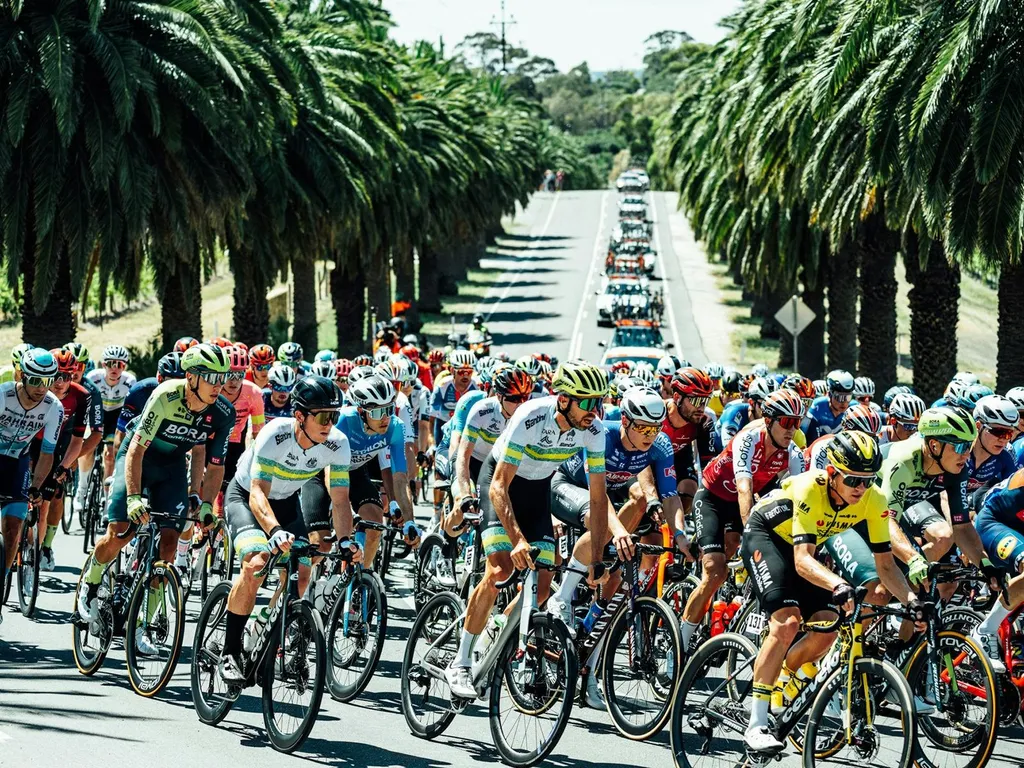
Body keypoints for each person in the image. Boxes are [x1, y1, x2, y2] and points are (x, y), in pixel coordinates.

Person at [741, 431, 922, 751]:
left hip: (803, 549)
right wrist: (838, 584)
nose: (861, 488)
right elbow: (801, 561)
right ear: (832, 473)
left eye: (867, 480)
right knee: (786, 623)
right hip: (767, 537)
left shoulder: (873, 500)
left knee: (828, 625)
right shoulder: (811, 488)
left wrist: (912, 600)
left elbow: (886, 567)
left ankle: (786, 672)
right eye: (853, 480)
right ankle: (756, 724)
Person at [444, 361, 610, 699]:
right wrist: (517, 541)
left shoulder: (594, 431)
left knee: (544, 584)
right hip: (500, 484)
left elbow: (597, 497)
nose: (595, 410)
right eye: (588, 402)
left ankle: (496, 629)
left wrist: (596, 559)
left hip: (537, 491)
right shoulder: (531, 416)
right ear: (564, 400)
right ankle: (459, 661)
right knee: (500, 569)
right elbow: (498, 487)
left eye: (599, 402)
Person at [76, 344, 234, 655]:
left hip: (172, 466)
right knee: (121, 530)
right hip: (138, 457)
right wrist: (134, 497)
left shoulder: (222, 413)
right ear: (191, 378)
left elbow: (214, 463)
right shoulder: (165, 395)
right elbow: (135, 450)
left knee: (170, 545)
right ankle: (90, 584)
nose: (219, 385)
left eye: (222, 378)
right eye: (211, 378)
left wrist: (203, 502)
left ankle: (144, 627)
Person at [219, 376, 358, 683]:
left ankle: (262, 626)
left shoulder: (337, 444)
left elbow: (340, 498)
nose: (329, 424)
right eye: (322, 416)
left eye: (334, 416)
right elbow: (257, 492)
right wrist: (274, 531)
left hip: (285, 501)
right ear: (300, 416)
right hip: (246, 497)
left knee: (303, 571)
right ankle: (229, 651)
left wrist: (347, 540)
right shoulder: (275, 434)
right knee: (256, 564)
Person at [679, 390, 805, 651]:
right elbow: (745, 489)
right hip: (713, 497)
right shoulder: (749, 437)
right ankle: (679, 642)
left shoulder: (792, 452)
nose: (792, 429)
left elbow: (802, 498)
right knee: (715, 570)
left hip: (739, 504)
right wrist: (753, 536)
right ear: (768, 420)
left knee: (735, 544)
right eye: (786, 422)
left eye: (797, 422)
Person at [0, 349, 64, 626]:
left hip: (18, 464)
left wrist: (36, 487)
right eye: (36, 380)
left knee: (14, 528)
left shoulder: (54, 407)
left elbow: (47, 453)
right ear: (22, 376)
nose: (42, 388)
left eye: (48, 381)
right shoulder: (3, 395)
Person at [34, 349, 91, 573]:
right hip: (32, 441)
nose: (60, 383)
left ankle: (43, 547)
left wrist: (64, 466)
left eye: (66, 377)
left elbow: (78, 439)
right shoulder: (36, 391)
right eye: (56, 376)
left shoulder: (82, 396)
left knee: (52, 496)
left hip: (60, 442)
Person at [87, 345, 137, 483]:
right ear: (104, 364)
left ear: (124, 366)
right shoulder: (93, 377)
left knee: (110, 455)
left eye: (119, 364)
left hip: (115, 417)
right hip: (97, 413)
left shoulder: (130, 381)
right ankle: (82, 488)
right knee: (87, 450)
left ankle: (106, 494)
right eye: (110, 363)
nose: (114, 368)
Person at [804, 369, 854, 440]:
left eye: (848, 397)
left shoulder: (854, 409)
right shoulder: (817, 406)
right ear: (829, 393)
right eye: (840, 397)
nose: (844, 402)